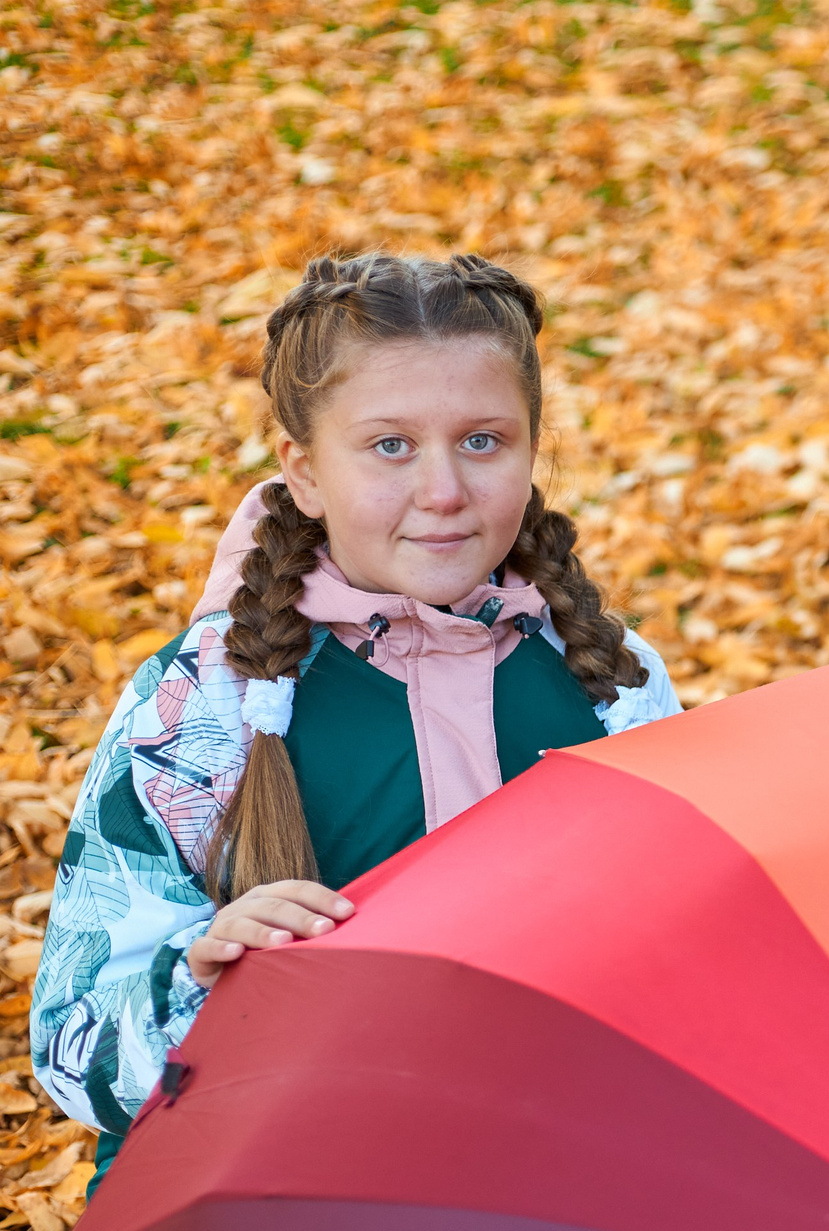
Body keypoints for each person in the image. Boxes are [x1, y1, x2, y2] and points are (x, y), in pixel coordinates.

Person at [33, 253, 680, 1172]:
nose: (443, 490)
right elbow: (72, 1048)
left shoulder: (612, 681)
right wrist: (203, 984)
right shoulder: (200, 706)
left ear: (532, 449)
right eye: (390, 446)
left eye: (483, 440)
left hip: (555, 1167)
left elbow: (684, 955)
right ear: (303, 471)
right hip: (280, 1186)